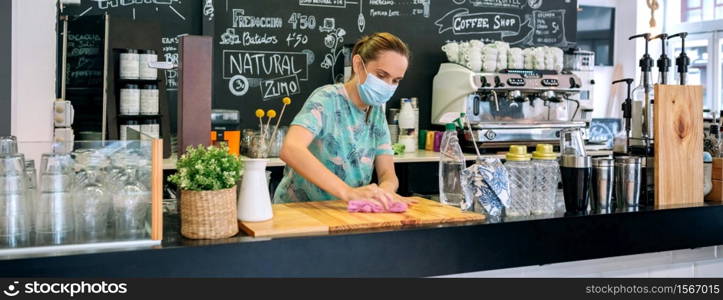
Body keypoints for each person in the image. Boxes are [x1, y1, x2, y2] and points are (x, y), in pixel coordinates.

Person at [273, 32, 415, 209]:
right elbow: (291, 149)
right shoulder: (327, 99)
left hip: (343, 211)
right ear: (358, 65)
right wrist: (348, 192)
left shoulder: (376, 112)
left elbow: (387, 172)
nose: (387, 85)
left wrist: (384, 191)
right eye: (380, 75)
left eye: (395, 80)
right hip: (300, 210)